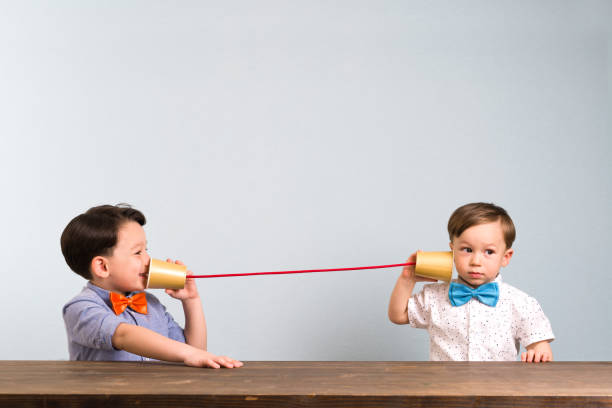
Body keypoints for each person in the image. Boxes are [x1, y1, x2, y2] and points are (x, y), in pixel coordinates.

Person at [61, 204, 242, 368]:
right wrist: (190, 354)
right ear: (102, 266)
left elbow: (196, 351)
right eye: (138, 252)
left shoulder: (151, 304)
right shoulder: (81, 309)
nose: (149, 260)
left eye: (147, 250)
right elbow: (124, 335)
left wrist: (191, 300)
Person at [388, 202, 554, 362]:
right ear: (452, 251)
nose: (476, 261)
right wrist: (407, 279)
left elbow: (540, 345)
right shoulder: (434, 296)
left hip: (498, 388)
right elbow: (398, 315)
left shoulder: (521, 303)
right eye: (467, 250)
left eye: (488, 251)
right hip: (444, 388)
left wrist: (538, 351)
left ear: (505, 257)